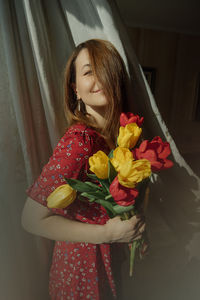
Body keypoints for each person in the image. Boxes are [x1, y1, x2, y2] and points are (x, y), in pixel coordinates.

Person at [21, 39, 146, 300]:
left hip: (106, 259)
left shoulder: (118, 138)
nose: (99, 78)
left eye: (105, 69)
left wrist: (132, 231)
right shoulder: (80, 142)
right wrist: (107, 233)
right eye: (89, 71)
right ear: (75, 88)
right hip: (81, 271)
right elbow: (31, 219)